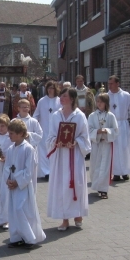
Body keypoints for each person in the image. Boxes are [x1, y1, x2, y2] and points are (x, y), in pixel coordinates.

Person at [47, 88, 91, 231]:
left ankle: (77, 214)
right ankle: (64, 219)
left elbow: (85, 137)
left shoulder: (80, 116)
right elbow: (50, 136)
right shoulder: (55, 116)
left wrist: (76, 141)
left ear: (72, 99)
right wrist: (56, 142)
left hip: (74, 155)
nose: (61, 98)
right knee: (61, 186)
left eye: (65, 96)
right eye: (61, 96)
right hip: (60, 156)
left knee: (75, 184)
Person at [4, 119, 46, 249]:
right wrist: (8, 179)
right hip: (13, 186)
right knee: (13, 211)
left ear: (21, 133)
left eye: (11, 133)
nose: (9, 136)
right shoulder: (10, 149)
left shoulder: (29, 149)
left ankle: (30, 238)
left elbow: (29, 169)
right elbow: (7, 166)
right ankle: (17, 237)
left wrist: (17, 181)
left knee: (21, 209)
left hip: (23, 186)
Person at [107, 76, 130, 181]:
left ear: (118, 83)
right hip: (111, 125)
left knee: (125, 148)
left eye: (111, 83)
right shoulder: (106, 96)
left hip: (123, 124)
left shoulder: (126, 95)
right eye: (109, 84)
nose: (110, 86)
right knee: (114, 149)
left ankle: (125, 172)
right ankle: (116, 172)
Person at [88, 94, 119, 199]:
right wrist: (97, 132)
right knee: (95, 165)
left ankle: (104, 189)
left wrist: (107, 131)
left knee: (105, 165)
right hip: (96, 143)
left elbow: (115, 130)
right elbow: (89, 129)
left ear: (106, 103)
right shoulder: (92, 116)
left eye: (101, 101)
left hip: (106, 143)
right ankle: (97, 185)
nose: (99, 104)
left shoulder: (110, 116)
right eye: (97, 101)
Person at [33, 80, 61, 178]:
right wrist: (34, 124)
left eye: (52, 88)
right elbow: (36, 114)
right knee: (44, 150)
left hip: (56, 129)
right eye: (49, 88)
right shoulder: (42, 101)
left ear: (55, 89)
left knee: (54, 149)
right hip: (44, 128)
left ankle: (54, 171)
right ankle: (46, 172)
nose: (50, 90)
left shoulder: (59, 100)